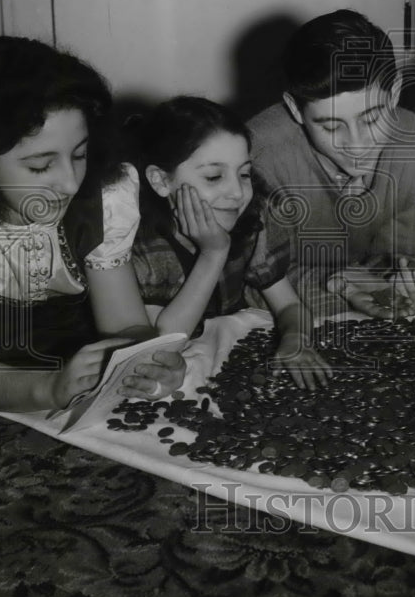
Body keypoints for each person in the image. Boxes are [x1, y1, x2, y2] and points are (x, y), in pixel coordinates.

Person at [0, 37, 186, 412]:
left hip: (77, 400)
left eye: (79, 154)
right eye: (40, 166)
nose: (69, 183)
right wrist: (48, 388)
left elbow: (126, 327)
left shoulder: (101, 203)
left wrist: (149, 361)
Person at [130, 96, 332, 390]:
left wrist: (295, 339)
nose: (237, 192)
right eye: (214, 177)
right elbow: (162, 346)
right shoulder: (142, 244)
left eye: (245, 174)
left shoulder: (252, 219)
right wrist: (214, 252)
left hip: (227, 356)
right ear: (161, 181)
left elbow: (289, 304)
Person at [247, 9, 415, 319]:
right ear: (295, 110)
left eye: (372, 119)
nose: (358, 144)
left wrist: (400, 278)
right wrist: (338, 286)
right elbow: (254, 277)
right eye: (332, 127)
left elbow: (399, 255)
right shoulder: (257, 156)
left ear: (394, 94)